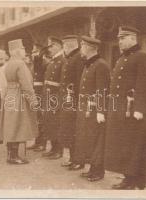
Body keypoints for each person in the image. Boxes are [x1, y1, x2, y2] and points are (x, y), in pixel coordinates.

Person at [104, 26, 146, 189]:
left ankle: (133, 180)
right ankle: (129, 177)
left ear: (133, 38)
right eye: (119, 39)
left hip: (133, 110)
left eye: (122, 38)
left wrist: (139, 109)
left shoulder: (142, 57)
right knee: (124, 144)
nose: (119, 42)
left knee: (133, 145)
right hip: (121, 109)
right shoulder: (121, 58)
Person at [72, 36, 110, 175]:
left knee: (96, 139)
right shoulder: (89, 64)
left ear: (89, 48)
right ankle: (92, 167)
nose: (81, 49)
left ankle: (98, 170)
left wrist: (100, 111)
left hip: (94, 109)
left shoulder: (101, 65)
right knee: (87, 138)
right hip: (85, 108)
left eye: (82, 46)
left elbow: (103, 90)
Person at [0, 39, 38, 164]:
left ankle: (11, 154)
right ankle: (14, 156)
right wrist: (33, 101)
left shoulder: (9, 63)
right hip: (19, 96)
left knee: (11, 125)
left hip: (10, 95)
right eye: (22, 49)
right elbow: (26, 85)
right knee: (18, 125)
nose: (24, 51)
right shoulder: (20, 64)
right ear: (16, 51)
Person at [58, 35, 84, 168]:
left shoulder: (78, 58)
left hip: (73, 100)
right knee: (69, 129)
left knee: (75, 130)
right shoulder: (70, 59)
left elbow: (80, 81)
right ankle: (73, 158)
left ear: (69, 46)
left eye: (64, 46)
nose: (63, 49)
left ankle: (78, 160)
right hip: (67, 100)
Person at [42, 36, 66, 160]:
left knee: (56, 123)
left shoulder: (62, 60)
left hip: (56, 96)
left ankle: (58, 150)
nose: (50, 49)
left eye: (52, 46)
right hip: (48, 95)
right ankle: (53, 148)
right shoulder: (53, 61)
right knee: (50, 123)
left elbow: (63, 82)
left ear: (59, 46)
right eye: (49, 46)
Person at [27, 43, 48, 152]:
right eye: (32, 51)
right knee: (36, 119)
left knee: (41, 119)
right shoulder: (35, 64)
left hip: (41, 93)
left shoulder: (45, 64)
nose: (32, 53)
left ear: (40, 52)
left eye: (35, 51)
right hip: (35, 92)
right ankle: (37, 141)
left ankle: (42, 143)